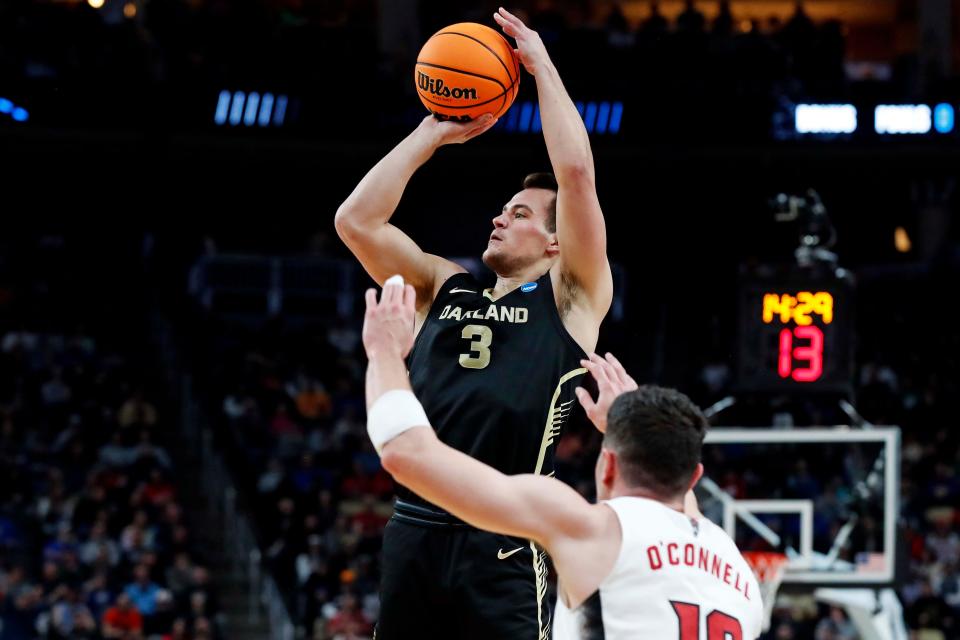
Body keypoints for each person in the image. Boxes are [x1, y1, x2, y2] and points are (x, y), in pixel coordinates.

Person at [335, 7, 612, 639]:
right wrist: (432, 134)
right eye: (501, 209)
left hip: (508, 536)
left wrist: (540, 66)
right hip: (416, 527)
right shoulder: (443, 285)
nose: (498, 219)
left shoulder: (573, 297)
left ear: (553, 244)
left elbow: (575, 177)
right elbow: (356, 223)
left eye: (517, 214)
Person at [360, 276, 764, 639]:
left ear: (607, 466)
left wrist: (384, 354)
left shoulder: (592, 531)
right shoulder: (739, 572)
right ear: (695, 476)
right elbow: (677, 503)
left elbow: (405, 451)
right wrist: (628, 425)